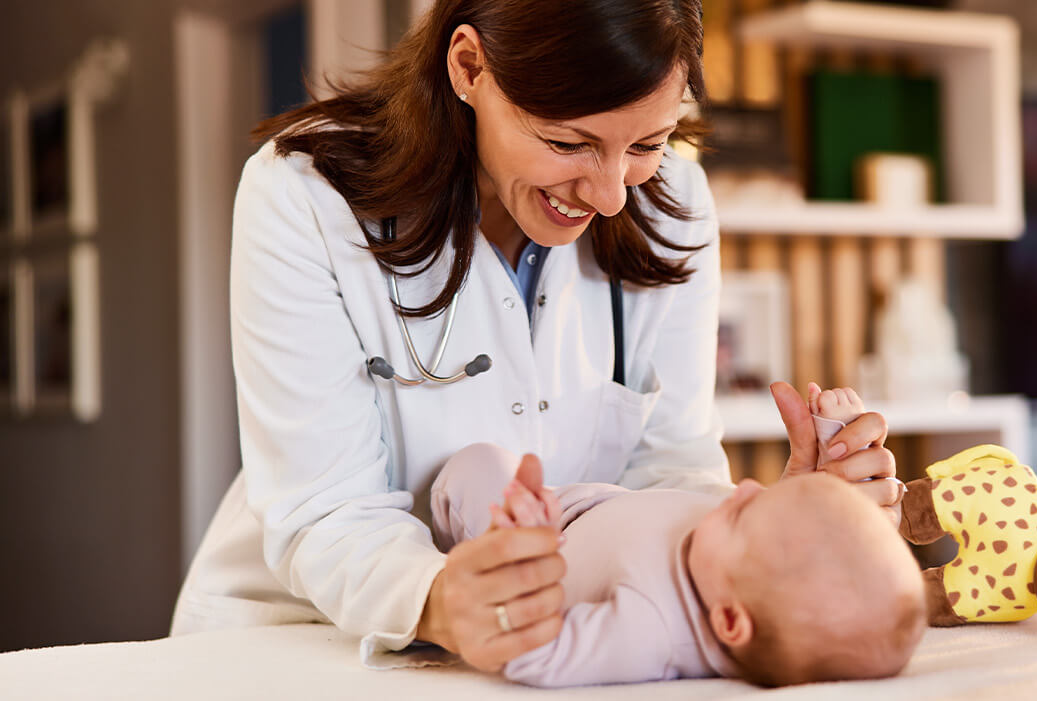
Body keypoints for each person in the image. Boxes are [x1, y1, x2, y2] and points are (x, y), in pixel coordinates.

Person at [170, 0, 902, 673]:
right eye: (567, 141)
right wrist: (439, 597)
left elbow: (670, 469)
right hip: (305, 636)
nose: (612, 192)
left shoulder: (673, 202)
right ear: (468, 67)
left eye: (648, 141)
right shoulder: (305, 194)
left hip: (548, 633)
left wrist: (777, 536)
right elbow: (328, 510)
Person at [429, 387, 926, 687]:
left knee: (478, 465)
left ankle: (490, 538)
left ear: (730, 620)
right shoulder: (741, 569)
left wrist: (517, 555)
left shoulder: (652, 633)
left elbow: (538, 653)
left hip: (550, 543)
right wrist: (830, 443)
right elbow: (773, 532)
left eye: (742, 514)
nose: (747, 488)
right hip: (599, 503)